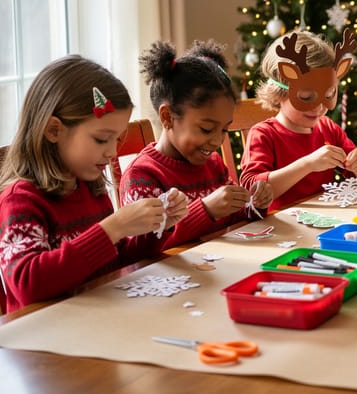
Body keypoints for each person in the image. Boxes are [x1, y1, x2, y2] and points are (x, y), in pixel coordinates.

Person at [0, 56, 188, 313]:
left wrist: (158, 226)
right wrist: (113, 227)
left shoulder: (90, 187)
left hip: (98, 318)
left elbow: (116, 262)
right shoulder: (20, 200)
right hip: (43, 337)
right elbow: (28, 285)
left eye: (117, 140)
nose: (112, 152)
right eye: (101, 139)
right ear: (53, 131)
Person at [119, 40, 273, 240]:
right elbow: (144, 251)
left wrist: (254, 204)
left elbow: (234, 218)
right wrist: (206, 210)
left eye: (224, 129)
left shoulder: (213, 164)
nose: (217, 141)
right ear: (167, 117)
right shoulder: (142, 177)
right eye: (207, 129)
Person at [240, 29, 357, 210]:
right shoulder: (264, 134)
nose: (319, 107)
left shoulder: (327, 128)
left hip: (324, 221)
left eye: (328, 95)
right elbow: (252, 189)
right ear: (278, 94)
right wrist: (308, 164)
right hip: (280, 229)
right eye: (306, 98)